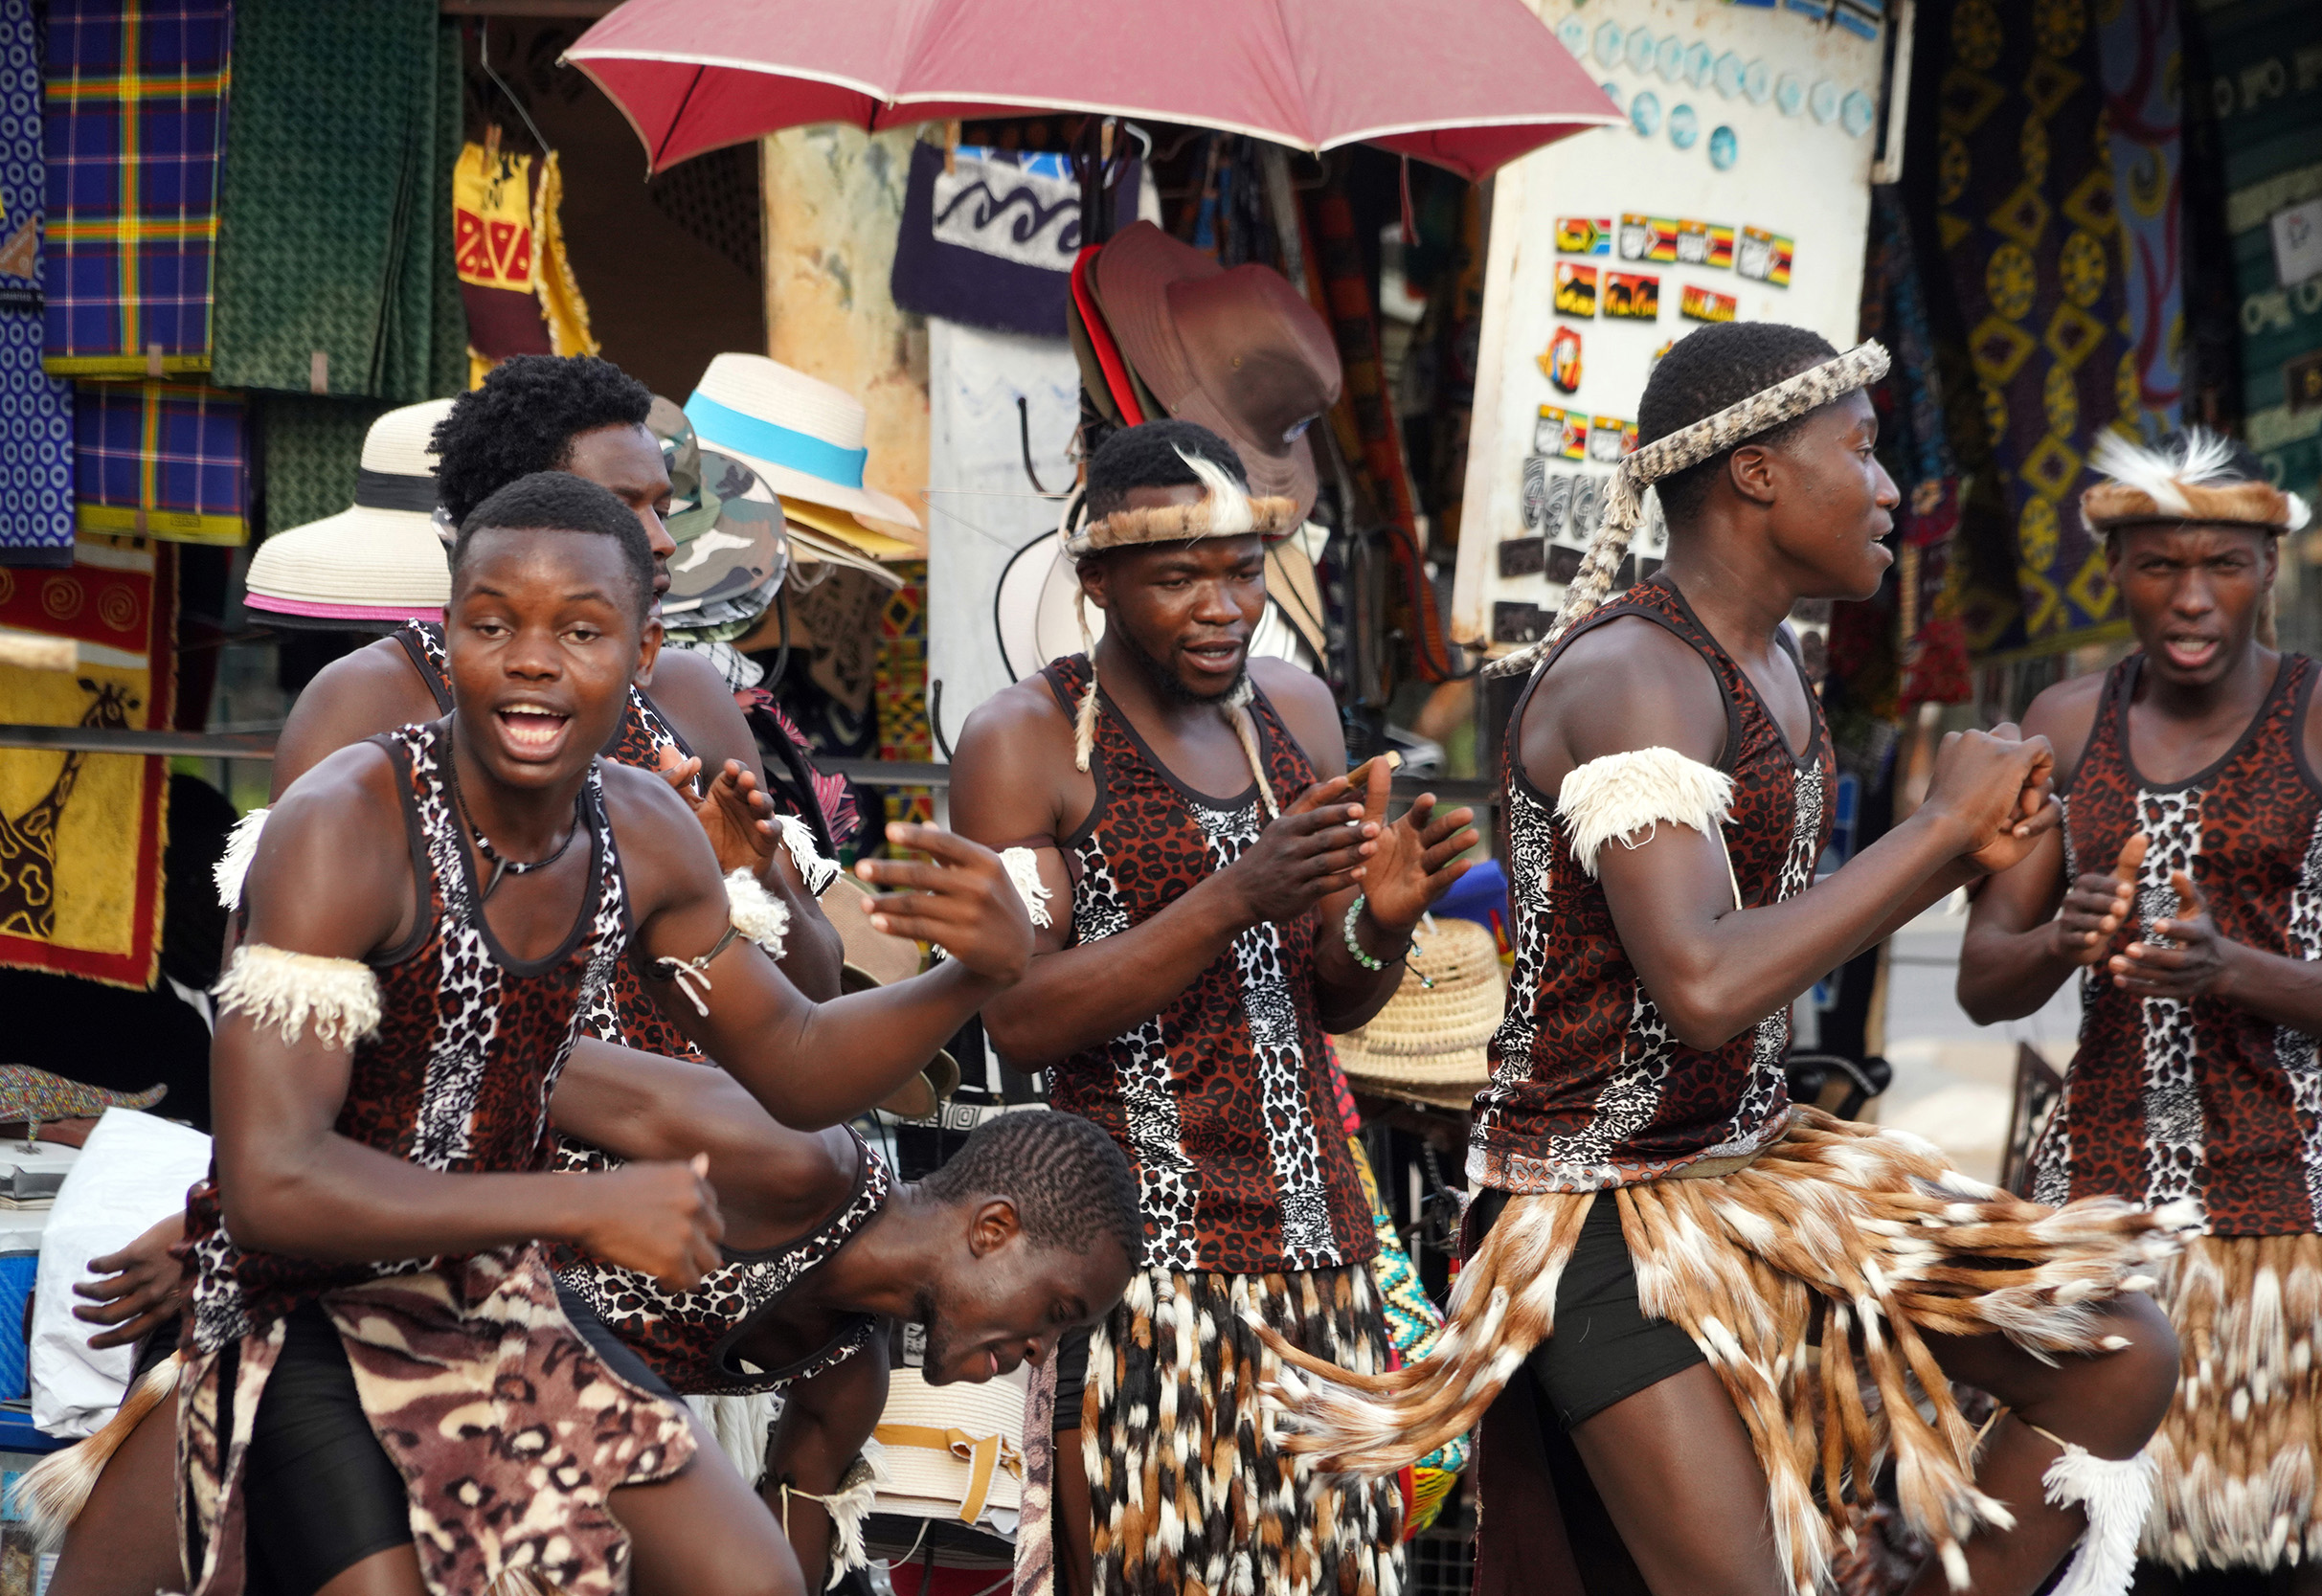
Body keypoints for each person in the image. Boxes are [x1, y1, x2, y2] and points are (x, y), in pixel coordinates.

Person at [1263, 323, 2191, 1596]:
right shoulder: (1635, 674)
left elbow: (1774, 936)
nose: (1887, 493)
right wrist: (1936, 830)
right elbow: (1700, 984)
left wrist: (1960, 855)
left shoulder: (1775, 662)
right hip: (1595, 1215)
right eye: (1860, 452)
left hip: (1756, 1166)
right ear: (1756, 474)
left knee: (2121, 1352)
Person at [174, 472, 1031, 1596]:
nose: (532, 657)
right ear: (447, 638)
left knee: (753, 1579)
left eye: (580, 629)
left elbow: (803, 1064)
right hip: (301, 1311)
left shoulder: (646, 831)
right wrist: (580, 1202)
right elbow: (271, 1184)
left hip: (492, 1297)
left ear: (643, 658)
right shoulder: (344, 824)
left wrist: (977, 972)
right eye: (493, 624)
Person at [947, 419, 1478, 1596]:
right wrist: (1235, 892)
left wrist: (1377, 919)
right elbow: (1022, 1019)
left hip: (1321, 1250)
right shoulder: (1025, 739)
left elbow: (1331, 997)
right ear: (1095, 579)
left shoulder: (1296, 711)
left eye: (1241, 571)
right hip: (1140, 1261)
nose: (1221, 605)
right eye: (1177, 576)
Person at [40, 1052, 1141, 1596]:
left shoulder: (842, 1376)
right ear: (992, 1226)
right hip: (338, 1301)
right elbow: (461, 1065)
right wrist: (234, 1215)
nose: (1036, 1352)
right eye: (1052, 1312)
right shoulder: (786, 1154)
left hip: (464, 1442)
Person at [1958, 430, 2322, 1590]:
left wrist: (2227, 967)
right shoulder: (2062, 721)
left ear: (2271, 566)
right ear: (2113, 570)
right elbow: (1983, 977)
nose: (2192, 598)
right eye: (2158, 566)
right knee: (2094, 1549)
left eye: (2225, 565)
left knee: (2296, 1546)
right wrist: (2065, 935)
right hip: (2091, 1218)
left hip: (2284, 1221)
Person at [264, 352, 844, 1005]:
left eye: (662, 505)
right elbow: (282, 1004)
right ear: (520, 512)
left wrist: (744, 881)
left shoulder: (688, 694)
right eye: (625, 507)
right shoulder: (372, 701)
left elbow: (816, 999)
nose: (662, 540)